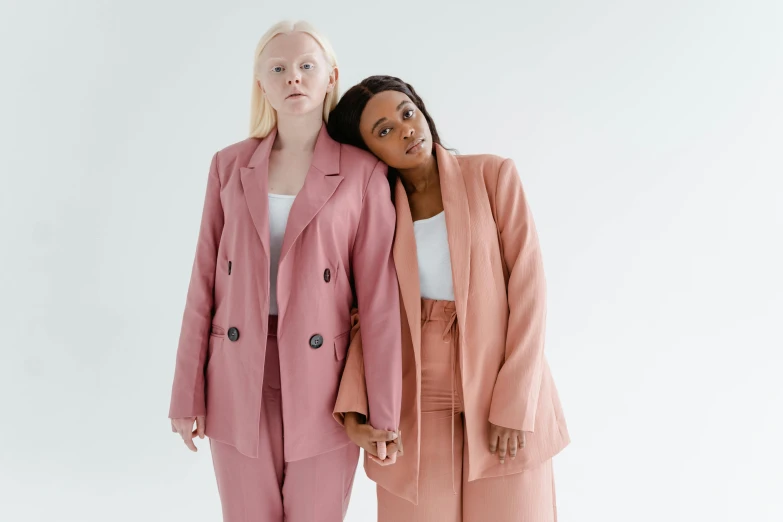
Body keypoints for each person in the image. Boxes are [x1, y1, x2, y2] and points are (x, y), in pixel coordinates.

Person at [168, 24, 402, 522]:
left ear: (329, 77)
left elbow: (380, 301)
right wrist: (185, 394)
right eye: (278, 69)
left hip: (327, 383)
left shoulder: (364, 173)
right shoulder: (228, 166)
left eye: (305, 66)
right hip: (236, 372)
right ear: (262, 84)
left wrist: (383, 412)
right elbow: (202, 284)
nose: (292, 78)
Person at [328, 75, 570, 521]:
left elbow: (529, 287)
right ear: (367, 152)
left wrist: (516, 401)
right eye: (383, 130)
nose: (405, 130)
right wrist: (355, 408)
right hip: (414, 392)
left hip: (499, 377)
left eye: (407, 113)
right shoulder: (372, 213)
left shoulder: (492, 175)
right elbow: (367, 315)